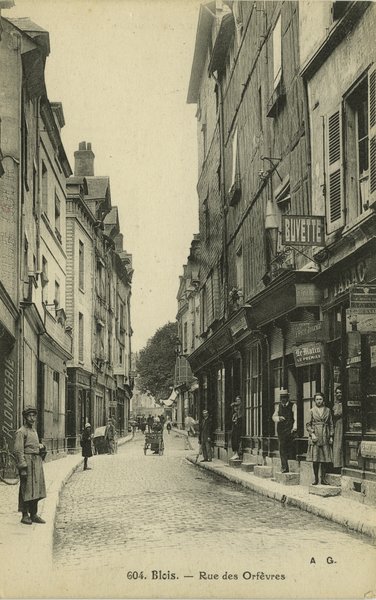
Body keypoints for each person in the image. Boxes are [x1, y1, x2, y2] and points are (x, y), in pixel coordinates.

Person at [14, 406, 47, 525]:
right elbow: (18, 450)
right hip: (27, 463)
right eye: (30, 416)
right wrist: (22, 467)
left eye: (34, 416)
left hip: (36, 462)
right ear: (25, 417)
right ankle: (24, 515)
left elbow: (33, 444)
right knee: (26, 489)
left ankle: (34, 514)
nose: (32, 418)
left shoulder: (34, 431)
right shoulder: (21, 431)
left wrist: (40, 447)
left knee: (36, 489)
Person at [306, 392, 334, 485]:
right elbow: (308, 425)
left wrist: (330, 436)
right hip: (316, 437)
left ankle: (323, 479)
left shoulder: (328, 410)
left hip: (325, 435)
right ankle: (316, 479)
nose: (319, 401)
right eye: (317, 399)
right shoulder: (312, 411)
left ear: (323, 400)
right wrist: (312, 434)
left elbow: (331, 424)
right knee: (316, 459)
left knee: (325, 459)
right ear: (314, 401)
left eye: (320, 399)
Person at [272, 388, 297, 473]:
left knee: (289, 448)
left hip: (289, 430)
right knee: (282, 448)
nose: (283, 399)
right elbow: (273, 417)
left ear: (287, 398)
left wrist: (294, 428)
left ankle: (291, 467)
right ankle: (284, 467)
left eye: (284, 397)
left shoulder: (293, 406)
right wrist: (279, 418)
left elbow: (296, 418)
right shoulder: (278, 406)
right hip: (281, 431)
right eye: (281, 397)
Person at [332, 386, 343, 471]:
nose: (339, 394)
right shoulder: (335, 404)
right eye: (337, 392)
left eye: (340, 392)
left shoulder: (344, 403)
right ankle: (338, 465)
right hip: (338, 425)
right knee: (338, 444)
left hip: (344, 424)